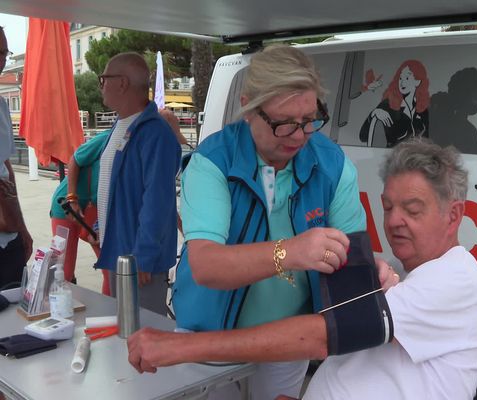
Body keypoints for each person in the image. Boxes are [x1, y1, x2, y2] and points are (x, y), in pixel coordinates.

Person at [128, 138, 477, 400]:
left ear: (454, 214)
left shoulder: (456, 277)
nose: (394, 221)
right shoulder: (408, 275)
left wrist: (182, 347)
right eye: (387, 207)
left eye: (412, 210)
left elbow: (323, 335)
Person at [171, 44, 366, 400]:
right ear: (248, 108)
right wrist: (290, 251)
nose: (298, 136)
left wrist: (370, 275)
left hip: (286, 341)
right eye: (283, 124)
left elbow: (351, 258)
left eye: (309, 120)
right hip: (210, 336)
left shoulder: (332, 164)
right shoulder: (213, 161)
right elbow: (206, 265)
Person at [95, 52, 181, 314]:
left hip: (138, 263)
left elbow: (158, 200)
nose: (101, 86)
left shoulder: (155, 133)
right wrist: (101, 226)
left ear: (121, 83)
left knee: (141, 333)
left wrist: (144, 256)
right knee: (122, 330)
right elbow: (117, 188)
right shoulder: (122, 125)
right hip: (118, 251)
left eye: (104, 79)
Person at [49, 130, 109, 293]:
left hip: (94, 210)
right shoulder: (106, 138)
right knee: (63, 272)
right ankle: (60, 310)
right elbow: (74, 160)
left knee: (111, 271)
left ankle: (111, 315)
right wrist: (72, 198)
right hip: (65, 206)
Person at [0, 26, 33, 290]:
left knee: (15, 308)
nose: (1, 59)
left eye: (4, 52)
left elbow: (7, 167)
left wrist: (21, 226)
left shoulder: (1, 105)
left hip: (7, 235)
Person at [359, 60, 430, 148]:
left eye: (407, 78)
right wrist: (374, 114)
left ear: (417, 81)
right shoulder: (388, 105)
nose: (402, 82)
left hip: (417, 160)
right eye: (400, 78)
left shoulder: (423, 111)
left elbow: (429, 141)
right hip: (392, 159)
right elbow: (363, 136)